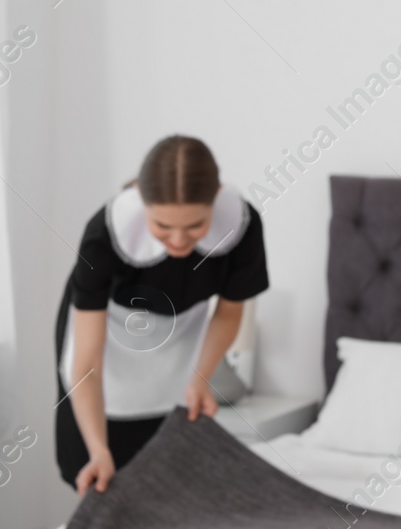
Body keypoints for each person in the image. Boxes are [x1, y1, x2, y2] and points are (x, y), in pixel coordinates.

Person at [54, 135, 268, 495]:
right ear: (141, 199)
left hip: (181, 336)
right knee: (102, 475)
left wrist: (200, 379)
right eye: (163, 227)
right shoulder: (104, 236)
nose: (180, 241)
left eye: (195, 226)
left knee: (165, 473)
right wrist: (98, 450)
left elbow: (230, 313)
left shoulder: (242, 228)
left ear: (216, 197)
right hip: (105, 343)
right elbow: (87, 362)